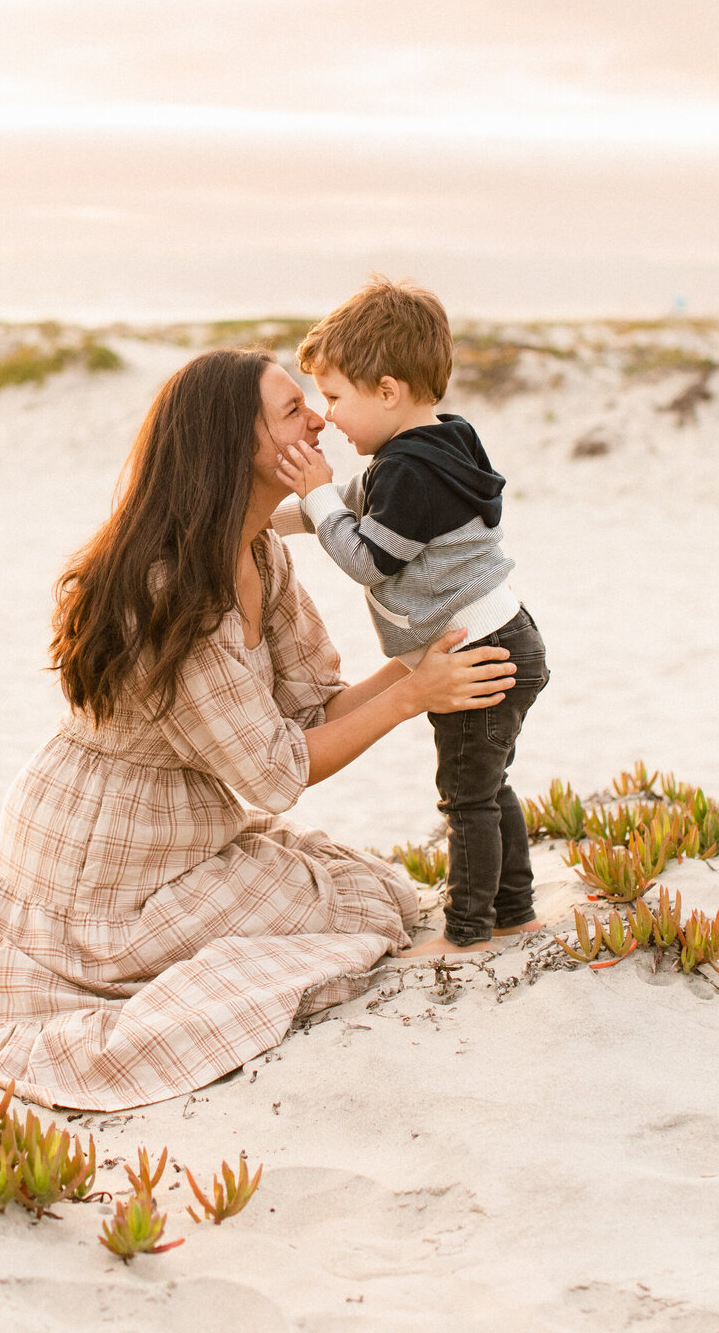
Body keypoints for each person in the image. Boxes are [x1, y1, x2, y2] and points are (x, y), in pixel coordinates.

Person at [0, 347, 517, 1110]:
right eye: (291, 411)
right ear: (232, 447)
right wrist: (414, 696)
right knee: (357, 913)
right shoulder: (180, 587)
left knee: (371, 892)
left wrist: (432, 657)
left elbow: (315, 708)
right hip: (106, 860)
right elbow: (278, 776)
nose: (319, 417)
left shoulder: (262, 552)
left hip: (180, 833)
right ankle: (100, 957)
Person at [272, 277, 549, 955]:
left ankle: (469, 932)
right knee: (486, 786)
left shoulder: (410, 473)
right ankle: (515, 912)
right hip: (503, 635)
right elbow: (350, 507)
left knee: (467, 799)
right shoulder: (434, 446)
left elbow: (367, 559)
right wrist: (282, 518)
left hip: (478, 649)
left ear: (388, 392)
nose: (329, 416)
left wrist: (316, 500)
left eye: (336, 397)